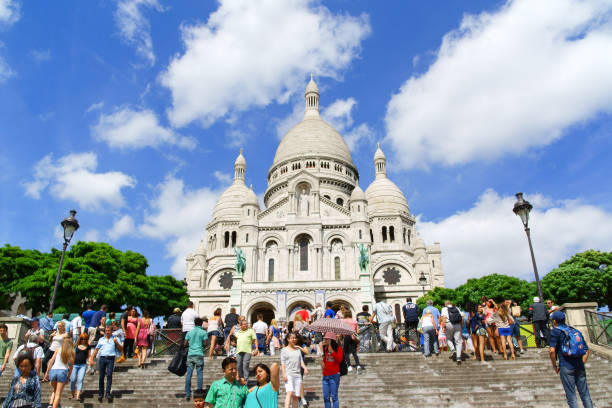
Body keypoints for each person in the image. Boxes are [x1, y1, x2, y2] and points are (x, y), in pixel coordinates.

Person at [548, 311, 593, 408]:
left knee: (571, 396)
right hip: (579, 365)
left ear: (555, 321)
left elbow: (552, 350)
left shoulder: (555, 331)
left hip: (566, 365)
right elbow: (587, 350)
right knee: (585, 394)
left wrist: (554, 365)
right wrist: (582, 362)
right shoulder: (574, 330)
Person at [89, 325, 123, 403]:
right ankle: (101, 393)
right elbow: (96, 350)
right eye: (106, 331)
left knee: (109, 375)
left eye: (109, 331)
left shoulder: (115, 339)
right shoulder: (101, 339)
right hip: (102, 358)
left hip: (111, 358)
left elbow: (121, 349)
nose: (107, 332)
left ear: (111, 331)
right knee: (101, 376)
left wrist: (116, 342)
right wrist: (92, 358)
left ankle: (107, 392)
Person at [44, 337, 74, 408]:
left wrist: (47, 373)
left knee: (54, 389)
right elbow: (71, 367)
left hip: (54, 370)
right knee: (58, 393)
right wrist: (68, 377)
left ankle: (50, 404)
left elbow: (51, 361)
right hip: (62, 371)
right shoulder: (71, 352)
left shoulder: (57, 350)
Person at [281, 333, 308, 408]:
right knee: (289, 392)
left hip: (297, 375)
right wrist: (284, 374)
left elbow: (301, 362)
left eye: (295, 338)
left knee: (296, 396)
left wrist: (305, 368)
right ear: (288, 339)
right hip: (289, 374)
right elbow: (283, 364)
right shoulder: (284, 350)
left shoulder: (298, 350)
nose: (294, 339)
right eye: (292, 338)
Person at [184, 317, 208, 401]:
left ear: (194, 323)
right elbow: (205, 344)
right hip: (199, 354)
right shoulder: (203, 332)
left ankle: (187, 392)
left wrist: (192, 344)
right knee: (199, 373)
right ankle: (199, 391)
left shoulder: (189, 332)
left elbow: (185, 344)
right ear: (201, 323)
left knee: (189, 374)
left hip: (190, 354)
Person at [320, 332, 343, 408]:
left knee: (334, 397)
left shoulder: (338, 348)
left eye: (326, 339)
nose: (325, 341)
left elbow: (340, 359)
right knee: (326, 397)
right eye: (324, 339)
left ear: (331, 340)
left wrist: (332, 352)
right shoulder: (325, 349)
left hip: (334, 375)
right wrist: (322, 363)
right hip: (325, 376)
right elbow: (324, 360)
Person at [235, 318, 259, 383]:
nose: (246, 325)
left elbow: (255, 339)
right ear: (241, 325)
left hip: (247, 351)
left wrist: (256, 348)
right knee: (238, 366)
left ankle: (245, 381)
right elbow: (234, 342)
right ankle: (241, 380)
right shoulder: (237, 333)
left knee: (245, 365)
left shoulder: (251, 331)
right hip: (239, 351)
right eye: (244, 324)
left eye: (246, 324)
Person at [441, 301, 464, 365]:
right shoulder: (457, 308)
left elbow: (444, 318)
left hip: (449, 324)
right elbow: (462, 317)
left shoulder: (444, 309)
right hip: (458, 325)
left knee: (448, 338)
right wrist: (461, 326)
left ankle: (453, 349)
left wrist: (444, 326)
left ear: (445, 304)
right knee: (458, 341)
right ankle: (459, 358)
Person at [69, 333, 90, 402]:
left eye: (85, 339)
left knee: (80, 379)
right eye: (82, 339)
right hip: (75, 365)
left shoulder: (88, 346)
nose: (83, 340)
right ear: (80, 339)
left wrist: (90, 363)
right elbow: (72, 355)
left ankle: (77, 395)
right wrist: (70, 365)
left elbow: (89, 356)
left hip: (83, 365)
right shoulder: (76, 346)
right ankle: (72, 394)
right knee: (72, 380)